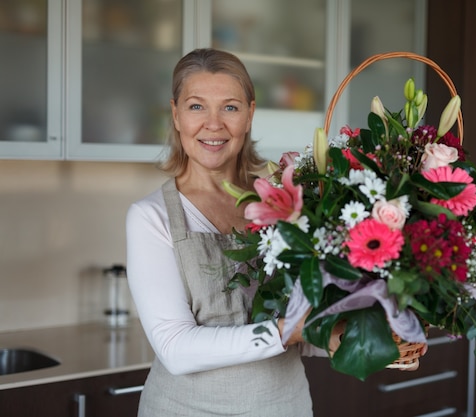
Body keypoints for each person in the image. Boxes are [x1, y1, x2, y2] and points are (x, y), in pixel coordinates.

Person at [125, 48, 329, 417]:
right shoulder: (150, 217)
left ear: (250, 114)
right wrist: (286, 331)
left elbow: (309, 320)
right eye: (197, 106)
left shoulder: (285, 201)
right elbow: (176, 348)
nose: (214, 124)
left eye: (230, 108)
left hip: (285, 407)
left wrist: (363, 328)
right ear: (175, 114)